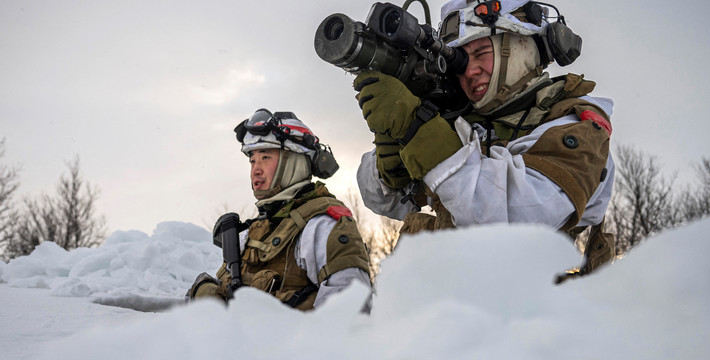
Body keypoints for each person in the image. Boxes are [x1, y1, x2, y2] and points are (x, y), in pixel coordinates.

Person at [353, 0, 615, 281]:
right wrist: (393, 147)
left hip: (532, 315)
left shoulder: (575, 127)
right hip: (438, 309)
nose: (469, 71)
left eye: (480, 53)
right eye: (460, 61)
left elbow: (516, 217)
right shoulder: (464, 124)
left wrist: (420, 132)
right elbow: (384, 201)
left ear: (521, 46)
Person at [186, 108, 372, 310]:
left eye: (265, 158)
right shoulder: (253, 232)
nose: (256, 169)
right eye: (252, 160)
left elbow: (349, 316)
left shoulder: (322, 226)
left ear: (294, 160)